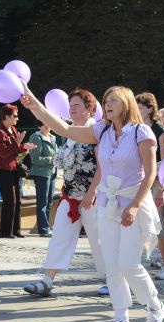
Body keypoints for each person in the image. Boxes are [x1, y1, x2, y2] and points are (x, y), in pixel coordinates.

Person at [21, 85, 164, 322]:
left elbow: (151, 173)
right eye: (106, 100)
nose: (108, 104)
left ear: (126, 103)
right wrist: (35, 104)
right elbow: (65, 129)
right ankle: (121, 319)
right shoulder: (103, 131)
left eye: (113, 100)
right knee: (112, 265)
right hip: (107, 203)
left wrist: (133, 206)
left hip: (132, 202)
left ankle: (155, 307)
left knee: (128, 264)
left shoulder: (141, 132)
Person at [23, 88, 106, 296]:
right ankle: (47, 281)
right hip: (69, 197)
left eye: (77, 106)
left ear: (90, 109)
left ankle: (111, 280)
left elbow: (104, 165)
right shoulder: (68, 133)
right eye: (70, 106)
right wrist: (33, 104)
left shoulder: (96, 132)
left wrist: (92, 192)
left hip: (91, 199)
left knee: (99, 241)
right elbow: (49, 120)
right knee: (59, 237)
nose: (72, 110)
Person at [136, 92, 164, 281]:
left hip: (160, 181)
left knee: (161, 225)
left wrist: (161, 188)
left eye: (141, 107)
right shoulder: (139, 128)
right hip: (145, 180)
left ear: (150, 109)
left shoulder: (160, 129)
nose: (137, 110)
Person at [0, 104, 34, 238]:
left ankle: (16, 230)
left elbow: (16, 148)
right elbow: (3, 153)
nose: (17, 118)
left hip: (14, 169)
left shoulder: (13, 129)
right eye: (15, 116)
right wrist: (17, 143)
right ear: (7, 116)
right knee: (10, 201)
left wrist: (24, 147)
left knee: (18, 201)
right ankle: (5, 232)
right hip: (3, 170)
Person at [29, 119, 58, 237]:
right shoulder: (36, 138)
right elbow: (35, 158)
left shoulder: (53, 137)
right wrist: (51, 159)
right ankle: (43, 229)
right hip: (41, 174)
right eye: (46, 123)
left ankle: (46, 226)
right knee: (42, 202)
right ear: (40, 125)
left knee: (49, 201)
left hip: (52, 172)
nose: (48, 125)